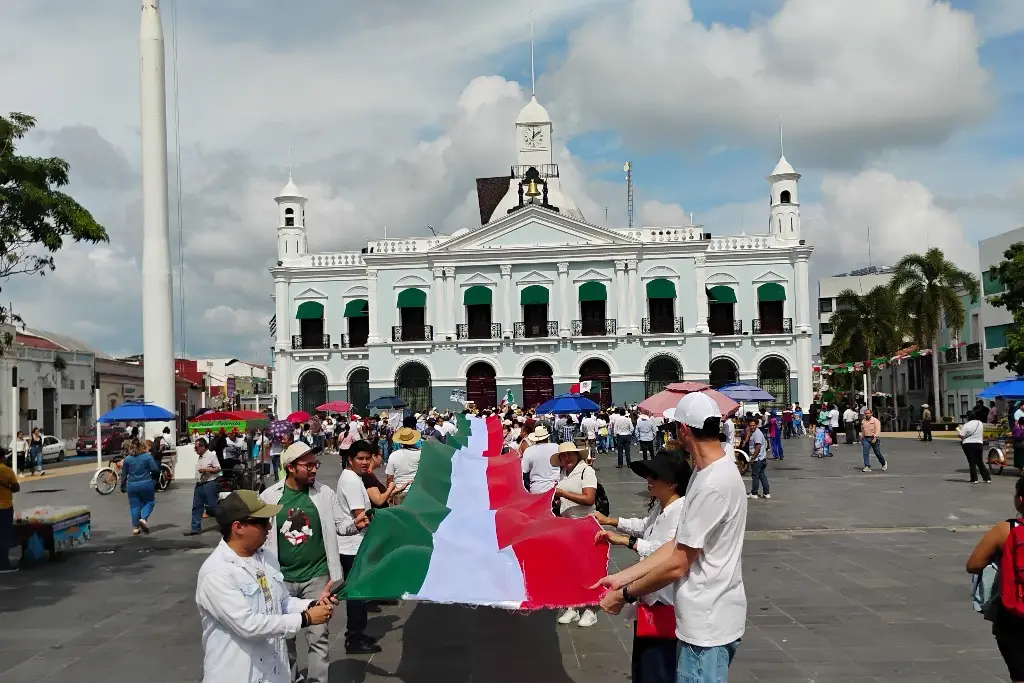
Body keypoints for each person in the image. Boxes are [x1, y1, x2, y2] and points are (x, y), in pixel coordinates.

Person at [593, 392, 748, 683]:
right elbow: (676, 545)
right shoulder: (706, 474)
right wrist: (622, 577)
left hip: (708, 623)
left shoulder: (713, 482)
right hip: (702, 619)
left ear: (684, 430)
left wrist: (625, 593)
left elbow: (678, 563)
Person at [195, 490, 337, 683]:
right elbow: (247, 625)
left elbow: (283, 602)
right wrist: (305, 619)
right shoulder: (217, 572)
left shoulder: (267, 558)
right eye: (261, 522)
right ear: (238, 527)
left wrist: (312, 605)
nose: (269, 526)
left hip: (274, 673)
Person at [260, 442, 365, 681]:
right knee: (284, 639)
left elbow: (340, 526)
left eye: (315, 464)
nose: (314, 469)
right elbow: (261, 536)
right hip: (281, 578)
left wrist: (356, 525)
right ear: (290, 468)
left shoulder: (324, 494)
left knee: (319, 636)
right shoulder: (269, 497)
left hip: (318, 578)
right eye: (308, 465)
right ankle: (289, 677)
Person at [592, 453, 692, 683]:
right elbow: (644, 526)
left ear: (673, 483)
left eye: (654, 476)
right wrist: (611, 521)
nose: (648, 479)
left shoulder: (680, 510)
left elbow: (664, 552)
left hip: (664, 601)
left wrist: (624, 541)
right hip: (649, 600)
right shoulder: (662, 506)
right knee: (644, 666)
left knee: (657, 668)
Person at [966, 476, 1024, 683]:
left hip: (1015, 613)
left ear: (1020, 500)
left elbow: (973, 564)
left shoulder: (1006, 529)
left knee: (1019, 674)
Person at [336, 440, 381, 654]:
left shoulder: (353, 477)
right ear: (350, 460)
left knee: (359, 593)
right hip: (352, 546)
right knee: (356, 594)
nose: (365, 462)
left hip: (355, 544)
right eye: (360, 459)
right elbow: (360, 517)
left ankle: (358, 633)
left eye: (367, 458)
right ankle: (354, 638)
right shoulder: (352, 481)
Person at [552, 441, 599, 628]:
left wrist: (563, 493)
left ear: (577, 455)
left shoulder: (586, 471)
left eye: (570, 454)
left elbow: (589, 498)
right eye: (563, 456)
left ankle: (591, 608)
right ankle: (572, 606)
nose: (567, 458)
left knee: (588, 568)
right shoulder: (563, 473)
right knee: (570, 567)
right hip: (568, 524)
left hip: (585, 523)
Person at [119, 439, 161, 535]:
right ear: (143, 447)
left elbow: (124, 474)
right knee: (150, 502)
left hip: (132, 485)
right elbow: (155, 469)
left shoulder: (128, 459)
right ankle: (143, 519)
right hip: (146, 483)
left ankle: (135, 528)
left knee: (134, 506)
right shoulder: (147, 457)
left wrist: (122, 486)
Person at [184, 438, 221, 536]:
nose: (195, 450)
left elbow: (218, 468)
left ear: (203, 446)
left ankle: (224, 524)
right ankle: (195, 528)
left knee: (213, 506)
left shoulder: (211, 455)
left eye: (196, 447)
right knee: (196, 506)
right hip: (200, 484)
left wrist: (206, 470)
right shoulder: (200, 457)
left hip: (209, 483)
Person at [386, 427, 421, 504]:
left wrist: (389, 494)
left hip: (399, 492)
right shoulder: (420, 454)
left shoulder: (394, 455)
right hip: (416, 491)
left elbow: (389, 478)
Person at [520, 425, 560, 494]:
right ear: (547, 437)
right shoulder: (557, 447)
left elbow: (524, 471)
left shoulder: (529, 451)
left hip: (537, 488)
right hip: (556, 487)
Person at [958, 407, 990, 484]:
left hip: (968, 444)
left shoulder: (966, 425)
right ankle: (987, 478)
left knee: (972, 462)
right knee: (980, 461)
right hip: (979, 443)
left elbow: (961, 435)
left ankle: (974, 478)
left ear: (968, 417)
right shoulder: (980, 423)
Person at [0, 451, 20, 572]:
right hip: (4, 507)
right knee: (4, 537)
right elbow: (16, 487)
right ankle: (3, 565)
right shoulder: (7, 471)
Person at [746, 416, 770, 499]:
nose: (752, 427)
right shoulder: (756, 433)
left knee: (755, 476)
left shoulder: (757, 434)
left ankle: (754, 493)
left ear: (756, 425)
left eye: (753, 425)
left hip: (757, 459)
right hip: (761, 458)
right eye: (750, 425)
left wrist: (752, 458)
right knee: (762, 475)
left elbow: (758, 447)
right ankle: (766, 493)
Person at [859, 408, 888, 473]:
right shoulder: (863, 421)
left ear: (871, 414)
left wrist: (875, 438)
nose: (867, 415)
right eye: (866, 413)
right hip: (866, 438)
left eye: (868, 413)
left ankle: (883, 463)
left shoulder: (875, 421)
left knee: (877, 452)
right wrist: (862, 436)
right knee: (865, 453)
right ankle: (867, 466)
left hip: (874, 438)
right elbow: (863, 429)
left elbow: (877, 430)